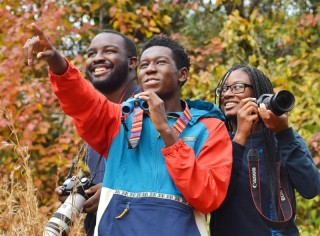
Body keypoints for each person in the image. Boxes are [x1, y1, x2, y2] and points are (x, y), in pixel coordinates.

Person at [24, 23, 233, 235]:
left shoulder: (209, 127)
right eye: (144, 65)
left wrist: (167, 132)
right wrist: (55, 60)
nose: (150, 68)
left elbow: (208, 197)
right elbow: (82, 99)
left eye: (160, 62)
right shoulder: (118, 119)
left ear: (182, 75)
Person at [210, 64, 320, 236]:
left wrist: (284, 134)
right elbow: (214, 197)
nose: (227, 94)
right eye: (223, 89)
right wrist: (240, 137)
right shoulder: (216, 141)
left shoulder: (283, 139)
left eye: (237, 87)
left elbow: (311, 188)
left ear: (259, 95)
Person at [52, 30, 140, 235]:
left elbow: (167, 173)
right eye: (91, 54)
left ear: (132, 62)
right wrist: (80, 194)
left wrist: (113, 192)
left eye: (109, 51)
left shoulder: (151, 109)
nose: (98, 58)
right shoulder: (95, 119)